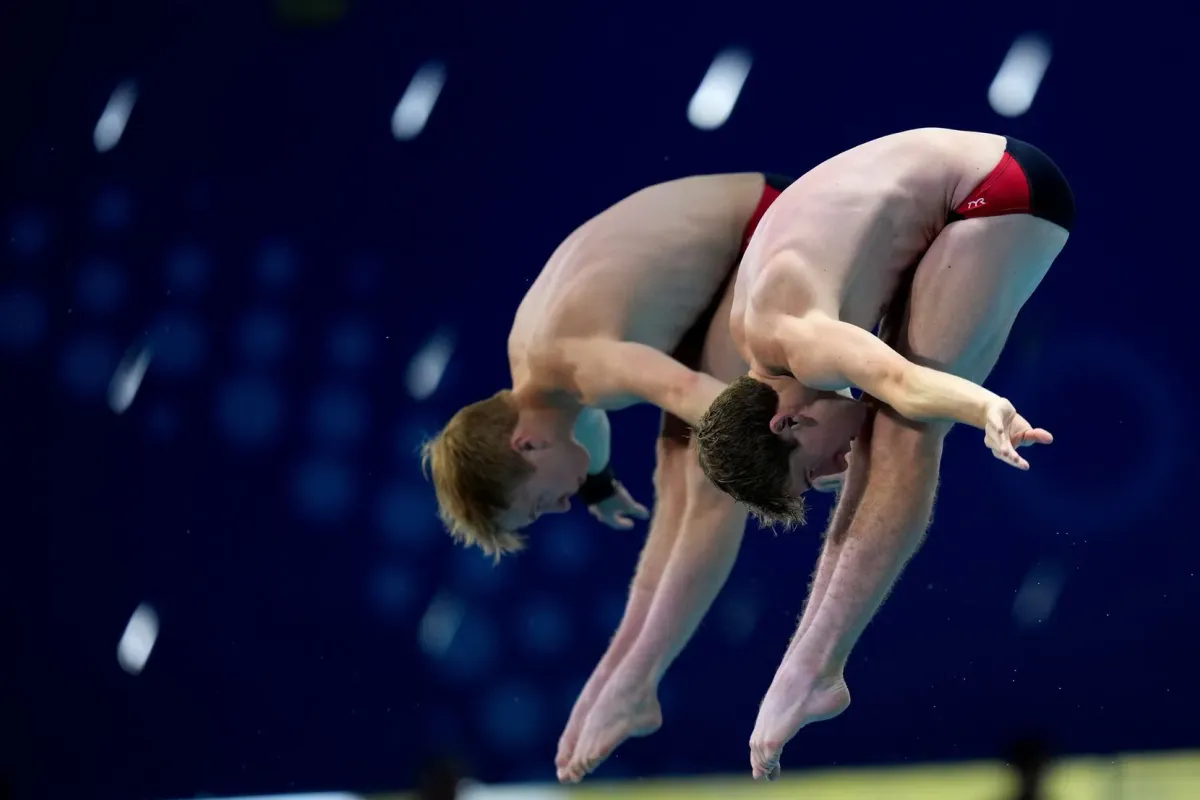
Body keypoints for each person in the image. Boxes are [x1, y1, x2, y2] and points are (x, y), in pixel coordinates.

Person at [420, 173, 845, 783]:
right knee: (675, 475)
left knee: (713, 481)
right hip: (729, 259)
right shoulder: (538, 378)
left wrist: (797, 446)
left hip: (769, 227)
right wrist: (593, 484)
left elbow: (702, 399)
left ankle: (636, 681)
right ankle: (617, 676)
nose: (558, 509)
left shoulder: (581, 361)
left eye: (541, 504)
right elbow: (582, 427)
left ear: (526, 443)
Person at [693, 128, 1074, 780]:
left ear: (786, 422)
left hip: (996, 191)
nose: (838, 469)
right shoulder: (757, 340)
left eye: (817, 467)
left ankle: (813, 667)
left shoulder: (798, 340)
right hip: (969, 188)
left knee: (903, 432)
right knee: (888, 432)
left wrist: (986, 408)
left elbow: (901, 385)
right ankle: (810, 661)